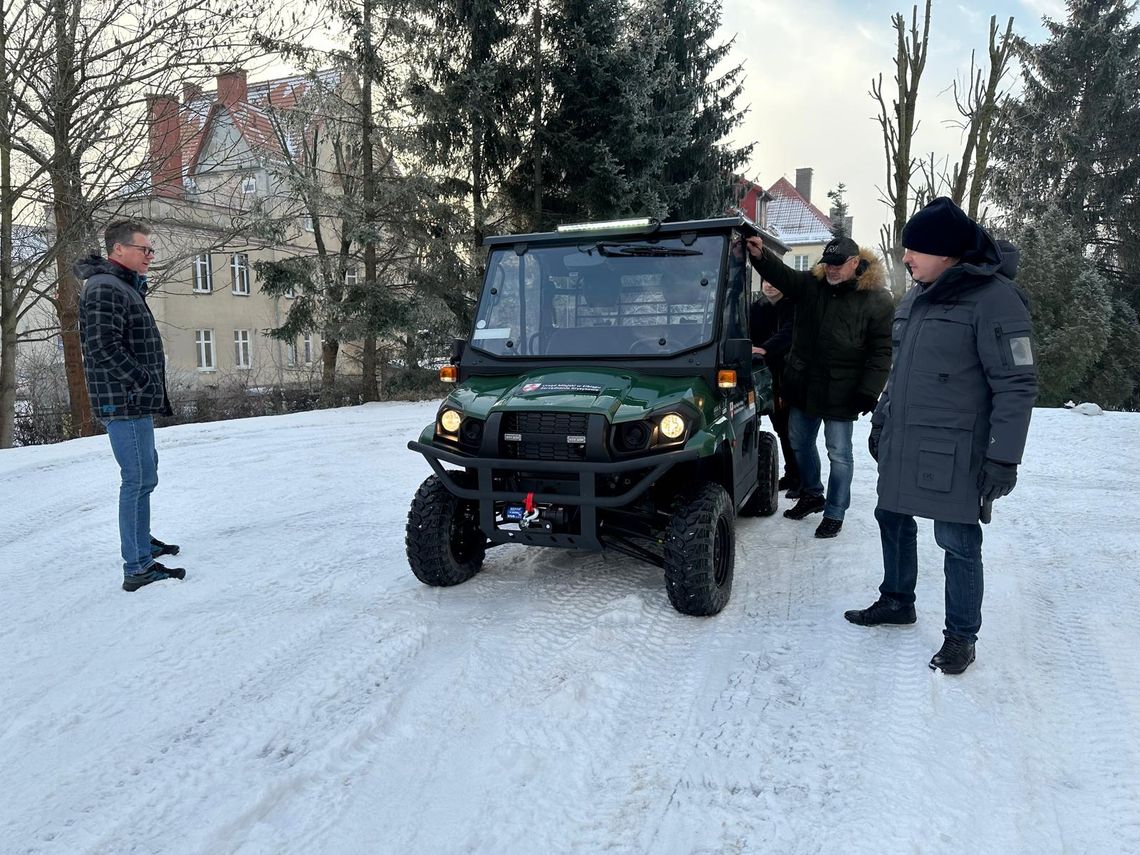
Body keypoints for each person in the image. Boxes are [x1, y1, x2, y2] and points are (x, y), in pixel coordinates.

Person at [844, 197, 1037, 675]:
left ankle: (960, 636)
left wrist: (1003, 458)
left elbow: (1017, 384)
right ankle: (897, 599)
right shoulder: (916, 296)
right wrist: (883, 417)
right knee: (890, 516)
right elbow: (900, 369)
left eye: (916, 249)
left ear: (948, 252)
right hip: (905, 439)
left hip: (955, 448)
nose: (905, 258)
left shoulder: (995, 299)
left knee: (957, 539)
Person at [745, 234, 893, 538]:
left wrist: (870, 390)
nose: (832, 270)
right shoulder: (811, 286)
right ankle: (812, 492)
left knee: (839, 453)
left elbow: (881, 350)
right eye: (828, 264)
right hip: (804, 384)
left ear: (855, 263)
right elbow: (782, 276)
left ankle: (835, 512)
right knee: (798, 441)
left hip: (844, 389)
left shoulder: (876, 299)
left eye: (838, 265)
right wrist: (761, 257)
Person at [76, 220, 185, 592]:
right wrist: (141, 379)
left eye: (151, 250)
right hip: (124, 401)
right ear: (118, 250)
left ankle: (142, 540)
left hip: (132, 399)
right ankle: (137, 565)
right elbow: (101, 347)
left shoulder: (119, 285)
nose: (149, 256)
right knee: (137, 479)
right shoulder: (105, 288)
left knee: (145, 473)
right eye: (144, 249)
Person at [749, 280, 800, 494]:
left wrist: (763, 349)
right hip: (763, 375)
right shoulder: (756, 308)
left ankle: (800, 478)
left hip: (787, 375)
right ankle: (791, 474)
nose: (769, 286)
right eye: (766, 282)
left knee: (792, 431)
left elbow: (788, 335)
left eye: (774, 282)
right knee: (780, 427)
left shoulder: (792, 306)